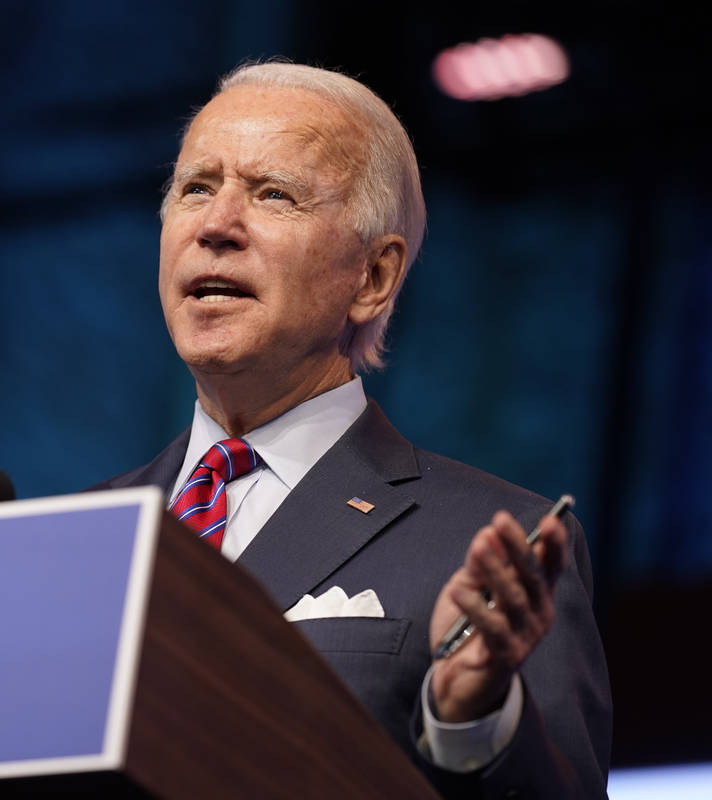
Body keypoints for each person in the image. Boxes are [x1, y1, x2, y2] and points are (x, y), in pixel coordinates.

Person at [93, 61, 612, 797]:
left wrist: (472, 721)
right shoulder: (82, 537)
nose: (215, 226)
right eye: (196, 188)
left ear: (372, 278)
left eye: (275, 195)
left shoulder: (493, 546)